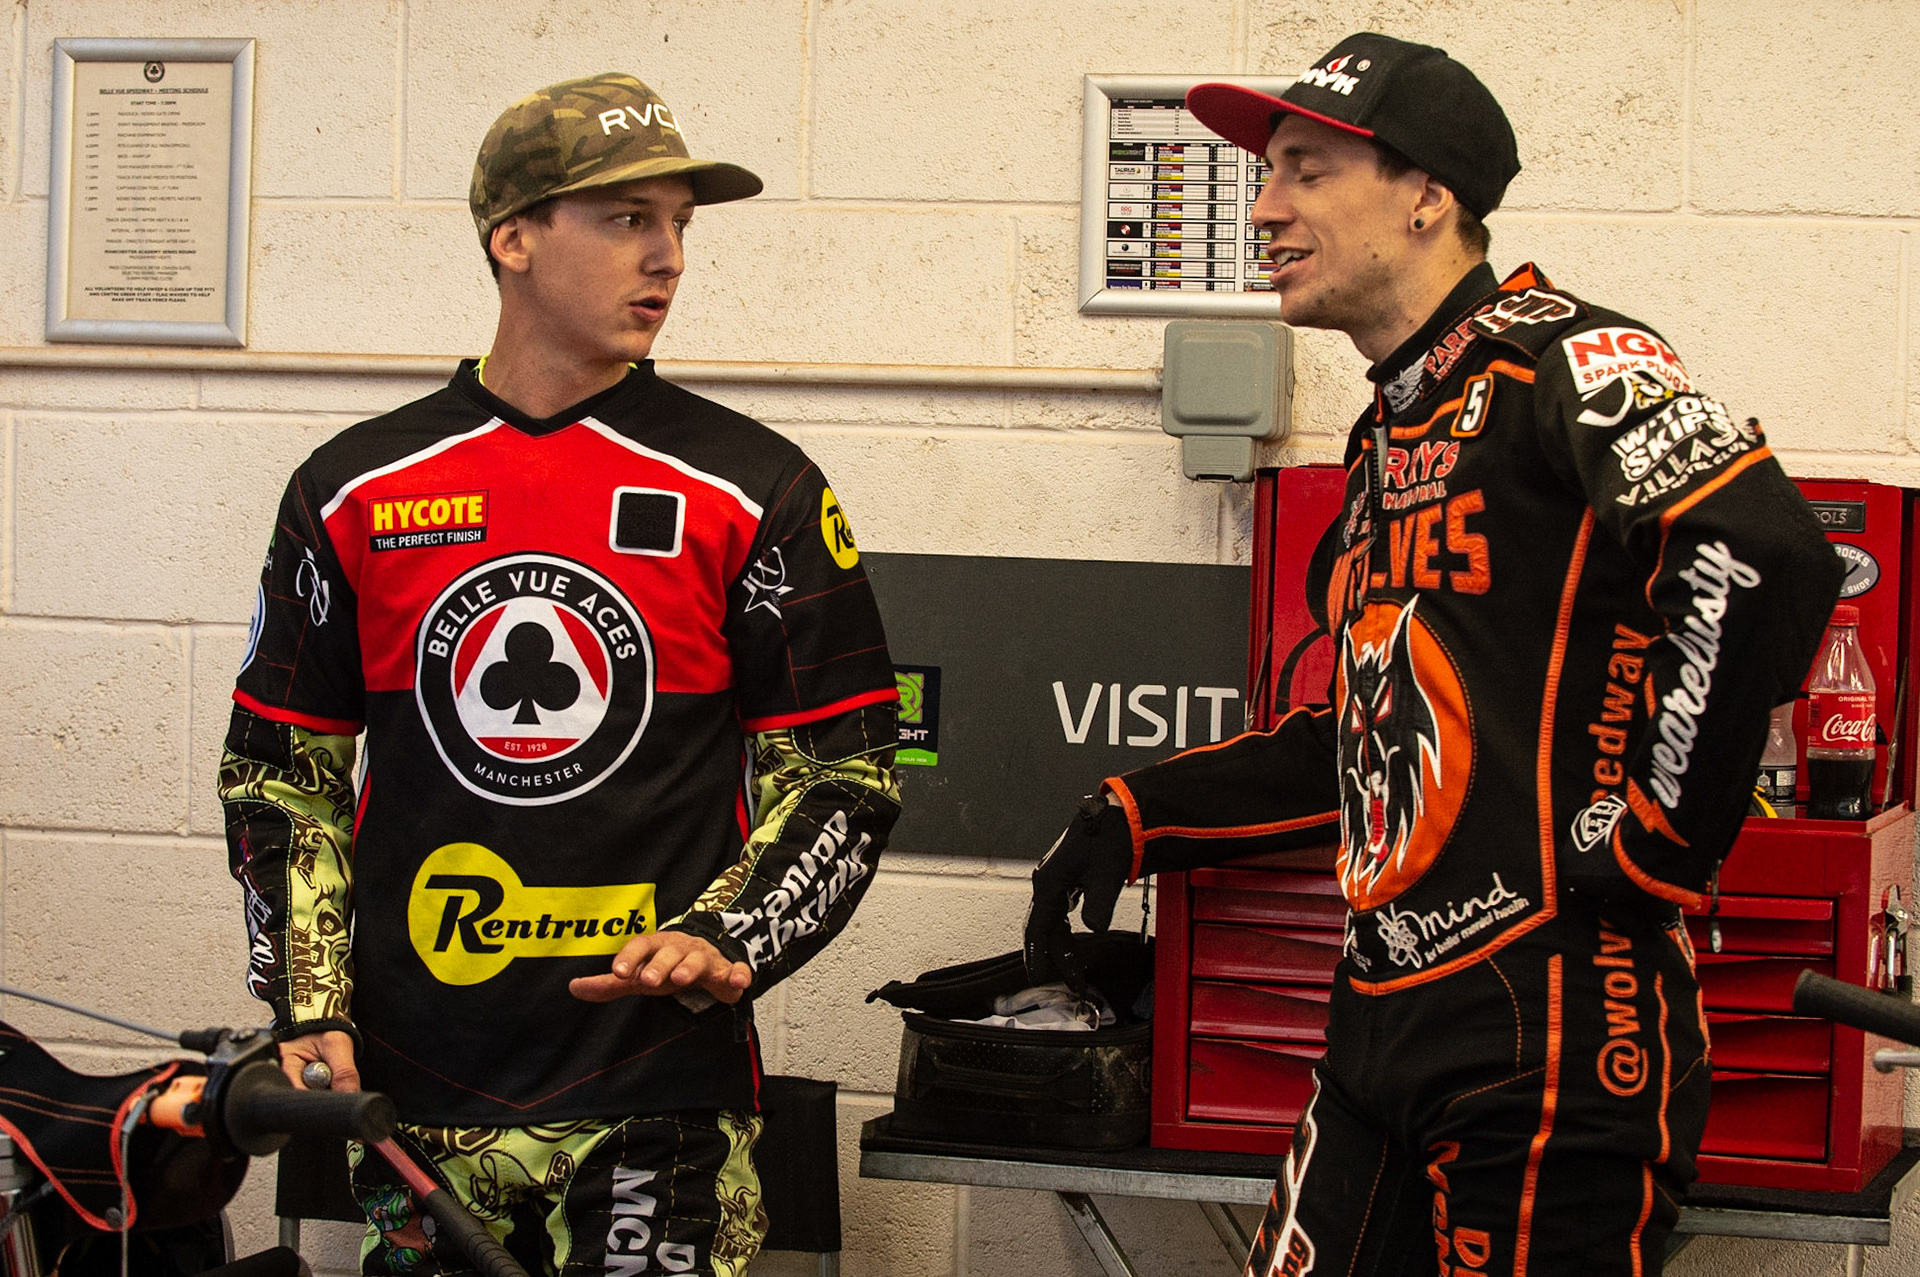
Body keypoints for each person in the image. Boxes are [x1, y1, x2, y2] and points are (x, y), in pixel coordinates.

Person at [1025, 33, 1844, 1276]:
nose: (1265, 207)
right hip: (1382, 1019)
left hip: (1554, 1033)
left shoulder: (1567, 357)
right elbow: (1386, 732)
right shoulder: (1389, 429)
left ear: (1426, 194)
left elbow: (1762, 553)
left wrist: (1662, 838)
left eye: (1306, 170)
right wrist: (1139, 809)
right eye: (1266, 172)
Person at [222, 73, 900, 1277]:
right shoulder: (352, 486)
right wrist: (310, 1001)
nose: (668, 256)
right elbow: (282, 777)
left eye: (679, 223)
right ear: (514, 237)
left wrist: (727, 931)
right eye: (627, 218)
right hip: (419, 1084)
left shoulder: (758, 486)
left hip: (659, 1088)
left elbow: (846, 773)